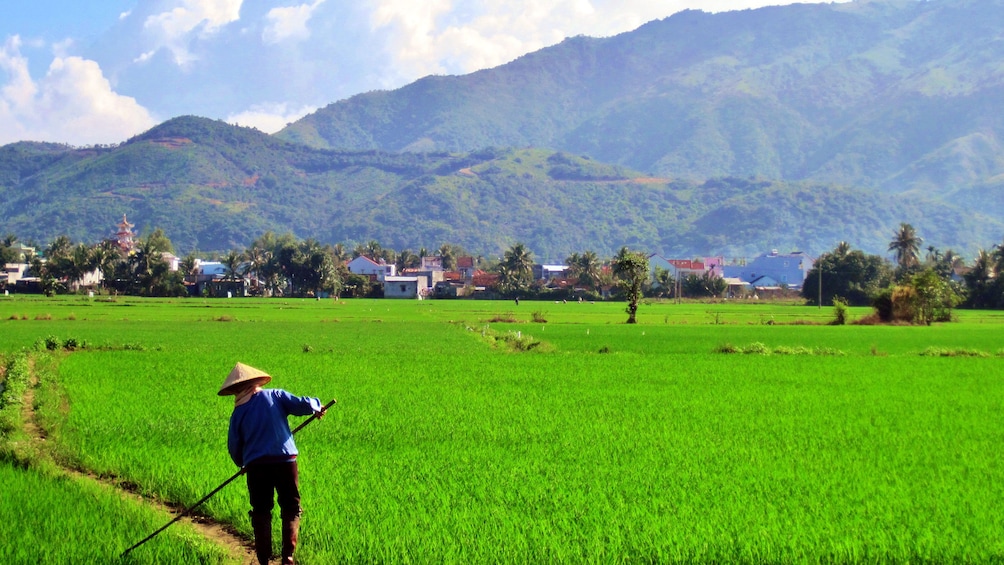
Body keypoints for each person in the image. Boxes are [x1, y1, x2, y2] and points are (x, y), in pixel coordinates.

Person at [219, 362, 326, 565]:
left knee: (261, 510)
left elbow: (235, 445)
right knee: (291, 507)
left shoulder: (238, 412)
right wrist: (316, 407)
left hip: (257, 466)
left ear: (238, 388)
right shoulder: (275, 396)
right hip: (285, 461)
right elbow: (301, 403)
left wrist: (243, 463)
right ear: (256, 382)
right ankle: (287, 557)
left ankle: (263, 560)